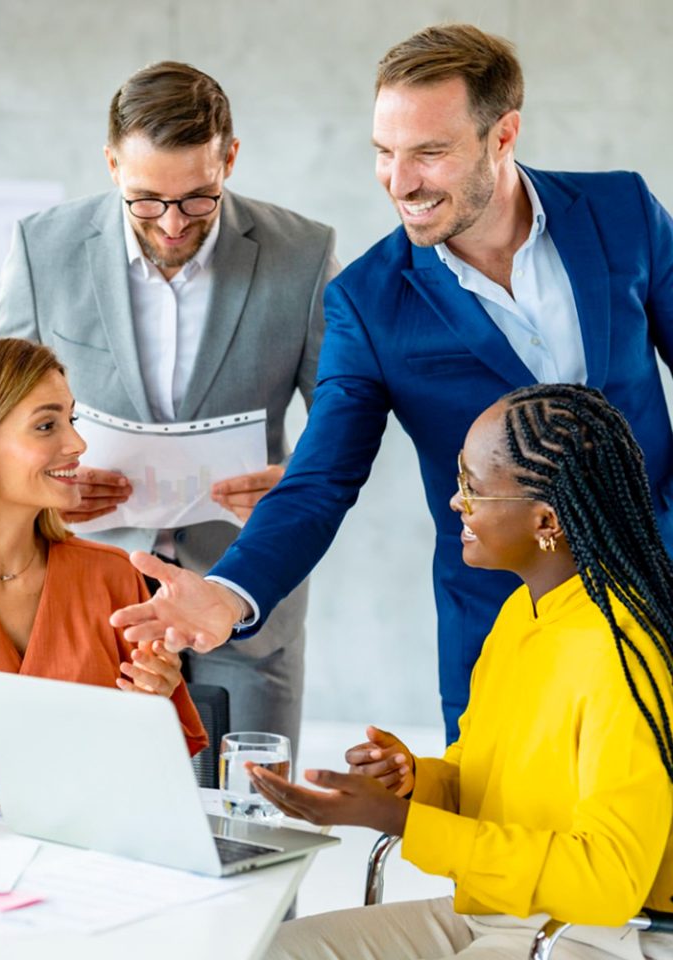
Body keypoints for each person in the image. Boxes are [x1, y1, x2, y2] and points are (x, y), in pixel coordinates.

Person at [110, 23, 673, 742]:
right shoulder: (369, 303)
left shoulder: (621, 213)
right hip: (498, 618)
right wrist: (228, 592)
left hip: (661, 579)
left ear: (503, 136)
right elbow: (321, 477)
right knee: (496, 834)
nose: (400, 182)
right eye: (384, 153)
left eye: (430, 153)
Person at [246, 383, 673, 960]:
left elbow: (606, 879)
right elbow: (488, 788)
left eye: (473, 487)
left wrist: (400, 821)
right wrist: (415, 781)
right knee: (266, 949)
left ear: (545, 518)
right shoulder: (523, 612)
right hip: (497, 913)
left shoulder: (624, 655)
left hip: (600, 934)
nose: (455, 502)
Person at [0, 61, 338, 751]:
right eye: (146, 200)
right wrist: (46, 484)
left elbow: (342, 413)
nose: (173, 224)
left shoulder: (303, 252)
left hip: (248, 591)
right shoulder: (43, 248)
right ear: (112, 164)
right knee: (91, 816)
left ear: (230, 159)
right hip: (85, 590)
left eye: (199, 199)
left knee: (246, 818)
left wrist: (296, 484)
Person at [0, 338, 207, 796]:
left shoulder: (112, 576)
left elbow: (160, 777)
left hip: (83, 848)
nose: (78, 443)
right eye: (47, 426)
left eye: (72, 419)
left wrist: (154, 711)